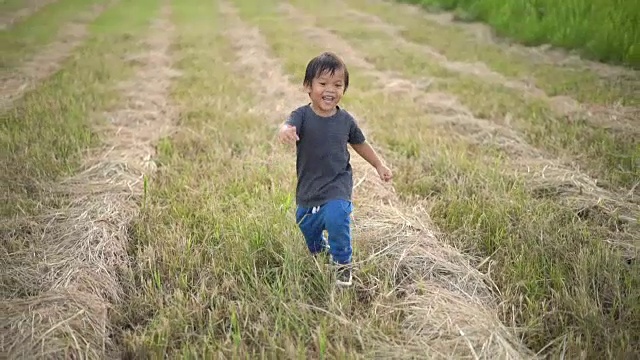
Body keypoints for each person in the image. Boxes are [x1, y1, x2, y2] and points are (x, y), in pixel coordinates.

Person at [277, 52, 392, 287]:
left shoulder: (345, 120)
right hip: (309, 188)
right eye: (323, 83)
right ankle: (321, 250)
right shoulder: (302, 115)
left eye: (338, 85)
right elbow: (287, 124)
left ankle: (343, 263)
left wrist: (379, 164)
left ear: (344, 89)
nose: (330, 90)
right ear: (308, 86)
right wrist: (285, 130)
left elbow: (360, 143)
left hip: (338, 183)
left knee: (337, 217)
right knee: (307, 226)